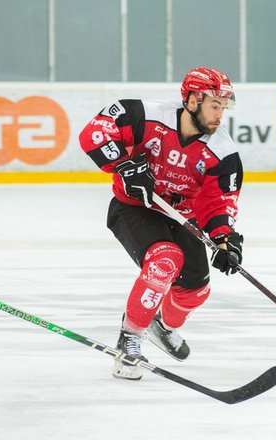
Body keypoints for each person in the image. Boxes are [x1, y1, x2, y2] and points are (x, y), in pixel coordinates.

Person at [79, 67, 244, 380]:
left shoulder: (223, 152)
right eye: (214, 105)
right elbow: (95, 133)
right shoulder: (143, 114)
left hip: (181, 216)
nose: (220, 115)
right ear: (193, 100)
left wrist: (225, 238)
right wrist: (124, 166)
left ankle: (163, 327)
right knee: (165, 259)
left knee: (195, 291)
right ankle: (129, 339)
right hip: (133, 208)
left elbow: (218, 201)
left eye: (223, 107)